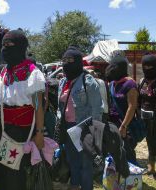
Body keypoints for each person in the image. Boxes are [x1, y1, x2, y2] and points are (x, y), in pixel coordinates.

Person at [0, 30, 45, 190]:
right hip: (5, 131)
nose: (5, 48)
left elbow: (39, 106)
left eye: (10, 45)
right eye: (3, 45)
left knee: (18, 175)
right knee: (3, 172)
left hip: (24, 132)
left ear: (20, 47)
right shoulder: (5, 72)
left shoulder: (32, 73)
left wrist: (39, 133)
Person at [58, 46, 103, 190]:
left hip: (84, 129)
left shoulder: (88, 82)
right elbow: (60, 107)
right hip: (68, 129)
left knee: (85, 163)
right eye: (64, 60)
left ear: (77, 62)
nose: (66, 63)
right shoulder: (62, 82)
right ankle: (74, 185)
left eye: (70, 60)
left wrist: (94, 134)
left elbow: (97, 109)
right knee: (72, 161)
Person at [106, 55, 138, 164]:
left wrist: (123, 126)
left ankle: (133, 178)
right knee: (115, 152)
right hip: (112, 125)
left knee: (127, 152)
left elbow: (132, 106)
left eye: (113, 66)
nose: (110, 69)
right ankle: (118, 177)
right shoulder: (112, 84)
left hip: (125, 126)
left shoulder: (130, 84)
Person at [139, 54, 156, 178]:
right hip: (146, 118)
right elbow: (139, 99)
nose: (147, 68)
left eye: (150, 66)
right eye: (144, 66)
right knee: (150, 143)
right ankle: (151, 167)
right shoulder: (142, 81)